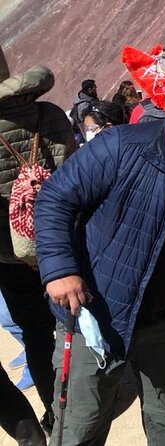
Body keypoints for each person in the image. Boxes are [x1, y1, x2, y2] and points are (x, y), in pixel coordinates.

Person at [34, 58, 165, 445]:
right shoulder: (121, 148)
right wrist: (60, 268)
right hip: (98, 313)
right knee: (80, 425)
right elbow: (54, 199)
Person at [0, 61, 75, 443]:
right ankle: (63, 416)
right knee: (57, 332)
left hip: (7, 256)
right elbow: (74, 174)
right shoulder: (48, 115)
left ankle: (36, 430)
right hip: (55, 243)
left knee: (34, 330)